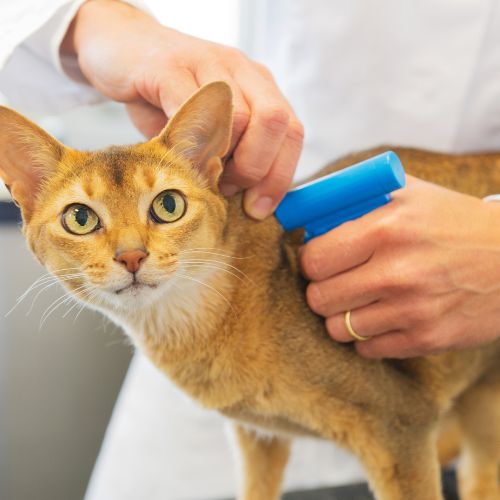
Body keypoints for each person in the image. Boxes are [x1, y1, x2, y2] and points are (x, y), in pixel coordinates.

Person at [2, 0, 500, 498]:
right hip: (272, 193)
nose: (130, 252)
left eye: (165, 207)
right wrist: (100, 27)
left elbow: (400, 419)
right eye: (82, 218)